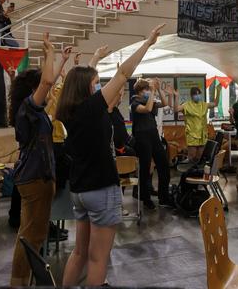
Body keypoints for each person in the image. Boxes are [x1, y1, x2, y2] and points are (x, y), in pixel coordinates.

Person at [57, 24, 165, 286]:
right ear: (87, 88)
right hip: (101, 188)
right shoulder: (93, 108)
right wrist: (147, 43)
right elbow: (124, 72)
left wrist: (93, 59)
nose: (99, 87)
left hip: (80, 190)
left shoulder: (69, 110)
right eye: (96, 83)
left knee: (81, 253)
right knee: (98, 258)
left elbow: (76, 79)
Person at [8, 33, 71, 285]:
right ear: (33, 90)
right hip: (35, 179)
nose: (49, 88)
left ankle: (23, 278)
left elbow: (49, 81)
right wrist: (49, 52)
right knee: (31, 236)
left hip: (36, 178)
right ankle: (19, 280)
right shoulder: (28, 108)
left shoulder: (32, 110)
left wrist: (62, 61)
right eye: (43, 87)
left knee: (32, 233)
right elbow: (46, 81)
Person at [130, 78, 174, 209]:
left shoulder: (149, 100)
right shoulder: (135, 103)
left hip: (153, 135)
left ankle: (164, 197)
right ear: (140, 91)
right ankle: (145, 198)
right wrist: (153, 90)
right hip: (142, 137)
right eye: (147, 89)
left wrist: (159, 88)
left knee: (164, 165)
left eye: (149, 89)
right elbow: (147, 109)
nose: (149, 92)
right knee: (145, 168)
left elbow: (165, 103)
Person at [172, 86, 221, 164]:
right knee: (192, 156)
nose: (197, 95)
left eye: (198, 94)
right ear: (191, 96)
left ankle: (198, 173)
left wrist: (218, 91)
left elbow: (215, 104)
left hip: (202, 134)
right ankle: (190, 173)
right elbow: (175, 109)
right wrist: (177, 97)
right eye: (195, 94)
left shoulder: (204, 105)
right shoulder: (187, 105)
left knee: (200, 156)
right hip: (192, 135)